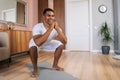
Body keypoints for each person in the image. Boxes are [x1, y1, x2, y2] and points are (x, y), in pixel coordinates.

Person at [29, 8, 67, 77]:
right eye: (48, 15)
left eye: (52, 16)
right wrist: (50, 29)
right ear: (43, 17)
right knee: (33, 47)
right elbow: (38, 43)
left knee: (60, 45)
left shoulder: (56, 28)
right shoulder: (37, 27)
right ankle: (35, 69)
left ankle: (55, 66)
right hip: (37, 42)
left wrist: (57, 29)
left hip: (48, 42)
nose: (51, 18)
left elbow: (65, 41)